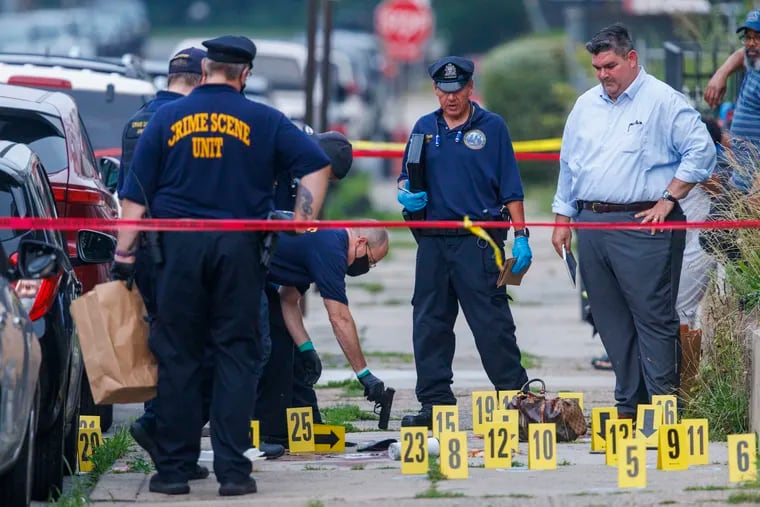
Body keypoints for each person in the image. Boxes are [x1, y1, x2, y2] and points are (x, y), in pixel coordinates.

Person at [112, 35, 330, 497]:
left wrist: (124, 256)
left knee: (178, 358)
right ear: (245, 74)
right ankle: (232, 471)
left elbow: (135, 195)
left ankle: (173, 470)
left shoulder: (166, 117)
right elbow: (317, 163)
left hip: (177, 253)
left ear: (206, 68)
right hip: (239, 253)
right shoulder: (265, 119)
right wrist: (303, 220)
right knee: (236, 357)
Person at [551, 24, 715, 419]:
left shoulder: (662, 100)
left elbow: (702, 150)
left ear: (631, 59)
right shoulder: (586, 104)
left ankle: (663, 412)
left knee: (653, 318)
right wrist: (562, 218)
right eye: (597, 68)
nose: (603, 75)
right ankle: (630, 407)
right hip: (591, 222)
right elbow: (569, 164)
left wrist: (669, 197)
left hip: (644, 223)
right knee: (610, 320)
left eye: (610, 66)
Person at [397, 56, 532, 429]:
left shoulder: (493, 128)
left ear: (470, 88)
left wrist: (521, 236)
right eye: (444, 91)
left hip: (479, 241)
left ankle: (515, 397)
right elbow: (405, 177)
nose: (451, 98)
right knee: (430, 324)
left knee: (492, 323)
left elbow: (511, 187)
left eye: (457, 91)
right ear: (435, 91)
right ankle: (435, 405)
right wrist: (405, 194)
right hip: (433, 243)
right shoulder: (424, 127)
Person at [116, 48, 210, 471]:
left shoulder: (136, 120)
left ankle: (172, 442)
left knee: (164, 343)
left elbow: (128, 193)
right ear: (201, 77)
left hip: (143, 248)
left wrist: (125, 252)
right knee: (190, 351)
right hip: (179, 248)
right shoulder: (186, 122)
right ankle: (161, 427)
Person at [257, 225, 391, 443]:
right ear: (360, 242)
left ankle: (297, 429)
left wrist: (306, 349)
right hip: (239, 269)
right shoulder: (332, 250)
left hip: (258, 274)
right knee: (262, 352)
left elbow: (288, 300)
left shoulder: (322, 241)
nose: (367, 267)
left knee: (291, 354)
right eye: (370, 261)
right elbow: (339, 318)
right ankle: (251, 432)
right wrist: (364, 374)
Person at [704, 9, 760, 192]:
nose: (751, 44)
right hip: (741, 180)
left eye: (758, 37)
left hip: (754, 188)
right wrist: (721, 74)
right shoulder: (754, 63)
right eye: (748, 37)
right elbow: (739, 54)